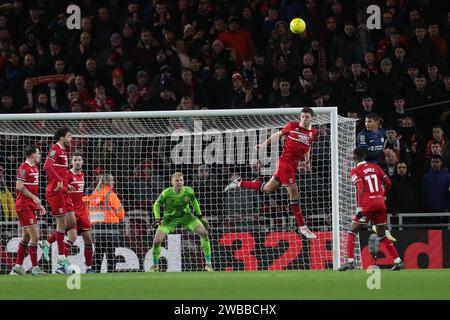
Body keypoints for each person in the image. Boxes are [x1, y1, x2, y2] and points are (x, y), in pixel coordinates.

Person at [224, 107, 317, 239]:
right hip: (285, 163)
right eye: (302, 116)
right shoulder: (292, 126)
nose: (303, 119)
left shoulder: (313, 132)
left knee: (267, 188)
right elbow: (277, 135)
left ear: (312, 117)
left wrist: (307, 160)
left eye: (306, 117)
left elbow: (308, 146)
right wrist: (263, 144)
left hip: (293, 165)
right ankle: (303, 227)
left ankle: (239, 183)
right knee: (294, 193)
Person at [339, 147, 404, 271]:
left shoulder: (355, 171)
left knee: (352, 231)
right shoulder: (375, 167)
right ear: (365, 156)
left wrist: (359, 209)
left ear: (354, 157)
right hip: (380, 203)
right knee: (382, 234)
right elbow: (388, 183)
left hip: (367, 205)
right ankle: (398, 261)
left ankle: (350, 262)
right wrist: (383, 195)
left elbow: (360, 187)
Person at [149, 172, 212, 272]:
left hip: (186, 217)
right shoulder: (166, 193)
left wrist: (200, 216)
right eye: (177, 180)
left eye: (181, 180)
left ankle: (208, 264)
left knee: (204, 234)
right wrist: (157, 218)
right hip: (170, 219)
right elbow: (156, 204)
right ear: (172, 182)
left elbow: (194, 201)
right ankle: (155, 266)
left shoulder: (189, 191)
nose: (179, 182)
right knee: (157, 241)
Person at [39, 128, 75, 273]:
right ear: (61, 137)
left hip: (64, 190)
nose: (71, 139)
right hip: (55, 192)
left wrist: (67, 183)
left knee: (72, 222)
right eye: (69, 136)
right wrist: (59, 180)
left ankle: (47, 242)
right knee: (62, 225)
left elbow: (62, 171)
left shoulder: (64, 152)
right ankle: (61, 257)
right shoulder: (55, 148)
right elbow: (46, 166)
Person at [12, 146, 47, 275]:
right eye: (38, 153)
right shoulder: (23, 168)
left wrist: (38, 204)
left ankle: (18, 266)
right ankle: (35, 267)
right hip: (23, 206)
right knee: (35, 236)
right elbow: (19, 186)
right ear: (32, 155)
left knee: (26, 237)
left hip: (30, 206)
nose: (40, 155)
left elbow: (32, 191)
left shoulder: (35, 168)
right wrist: (35, 198)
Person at [83, 173, 125, 272]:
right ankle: (111, 274)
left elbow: (87, 211)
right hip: (110, 227)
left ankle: (94, 272)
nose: (113, 182)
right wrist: (119, 219)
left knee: (98, 252)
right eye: (112, 180)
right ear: (107, 182)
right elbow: (121, 213)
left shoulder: (93, 195)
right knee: (110, 253)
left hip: (96, 228)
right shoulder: (110, 194)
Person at [64, 152, 94, 274]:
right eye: (75, 160)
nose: (77, 162)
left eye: (79, 160)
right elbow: (61, 188)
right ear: (71, 162)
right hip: (70, 210)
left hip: (81, 210)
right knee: (72, 237)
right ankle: (61, 265)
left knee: (88, 240)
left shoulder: (82, 174)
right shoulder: (67, 174)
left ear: (82, 162)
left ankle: (88, 268)